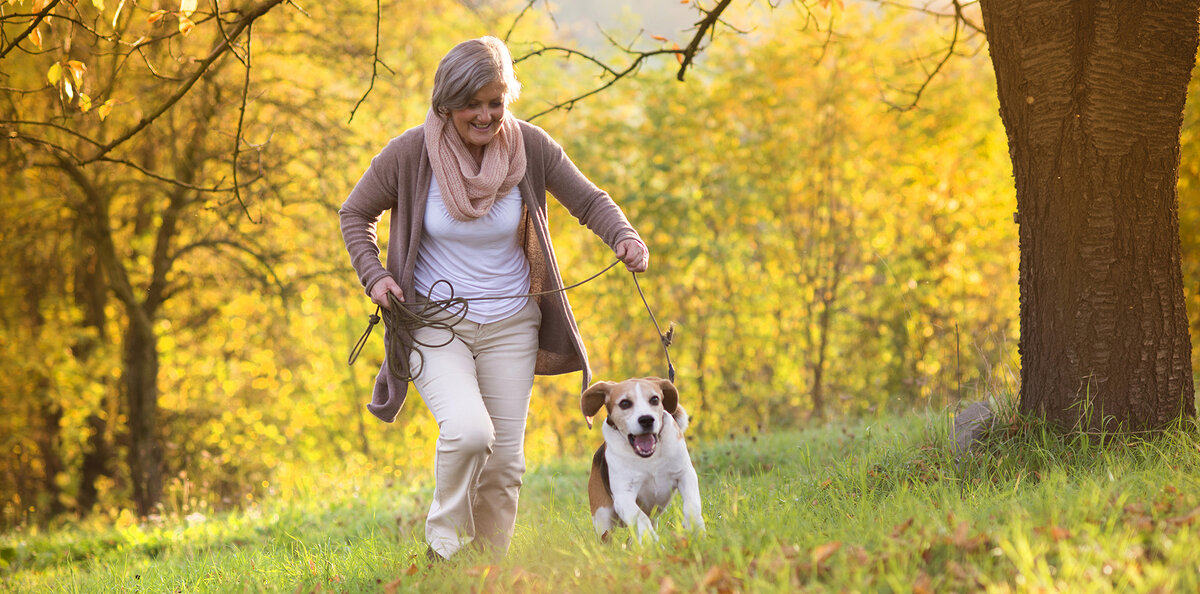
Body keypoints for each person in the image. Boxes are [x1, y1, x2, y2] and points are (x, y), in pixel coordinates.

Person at [338, 36, 649, 561]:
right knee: (468, 432)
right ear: (446, 103)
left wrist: (624, 236)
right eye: (472, 104)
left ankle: (486, 569)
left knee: (505, 465)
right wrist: (374, 276)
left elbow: (588, 199)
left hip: (512, 325)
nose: (485, 116)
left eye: (495, 102)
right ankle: (442, 539)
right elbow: (354, 214)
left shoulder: (529, 147)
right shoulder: (410, 154)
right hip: (437, 324)